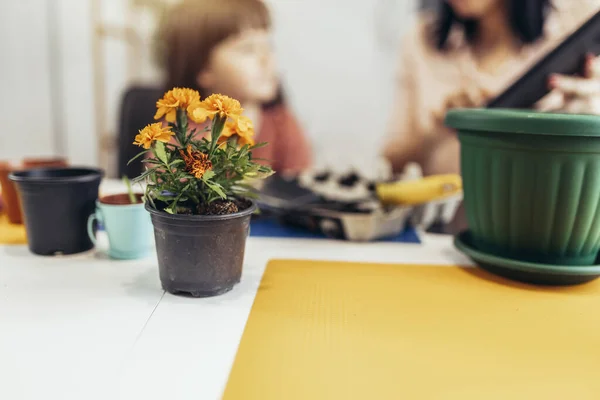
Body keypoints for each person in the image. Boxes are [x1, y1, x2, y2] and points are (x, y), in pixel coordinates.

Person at [384, 0, 600, 176]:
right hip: (443, 224)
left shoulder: (575, 19)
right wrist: (440, 126)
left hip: (545, 213)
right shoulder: (421, 40)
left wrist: (592, 113)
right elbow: (392, 163)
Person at [155, 0, 312, 174]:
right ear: (204, 69)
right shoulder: (178, 135)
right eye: (248, 49)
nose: (266, 59)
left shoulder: (284, 125)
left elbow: (301, 192)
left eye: (268, 47)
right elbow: (164, 194)